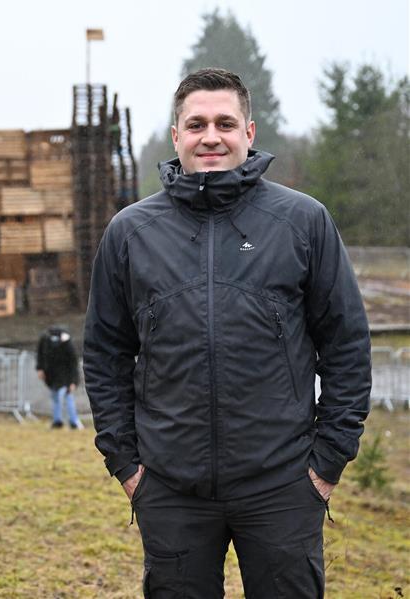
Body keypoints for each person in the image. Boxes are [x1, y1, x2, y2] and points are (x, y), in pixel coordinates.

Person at [83, 68, 371, 598]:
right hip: (170, 488)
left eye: (224, 122)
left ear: (249, 132)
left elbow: (346, 345)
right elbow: (105, 356)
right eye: (196, 124)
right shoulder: (130, 232)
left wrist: (327, 462)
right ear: (176, 136)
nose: (210, 136)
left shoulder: (303, 221)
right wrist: (127, 465)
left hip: (283, 483)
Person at [37, 325, 83, 429]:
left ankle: (73, 421)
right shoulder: (46, 341)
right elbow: (41, 355)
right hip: (53, 376)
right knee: (57, 398)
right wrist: (40, 368)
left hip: (65, 377)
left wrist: (73, 381)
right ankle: (59, 421)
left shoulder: (66, 345)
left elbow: (73, 363)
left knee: (66, 397)